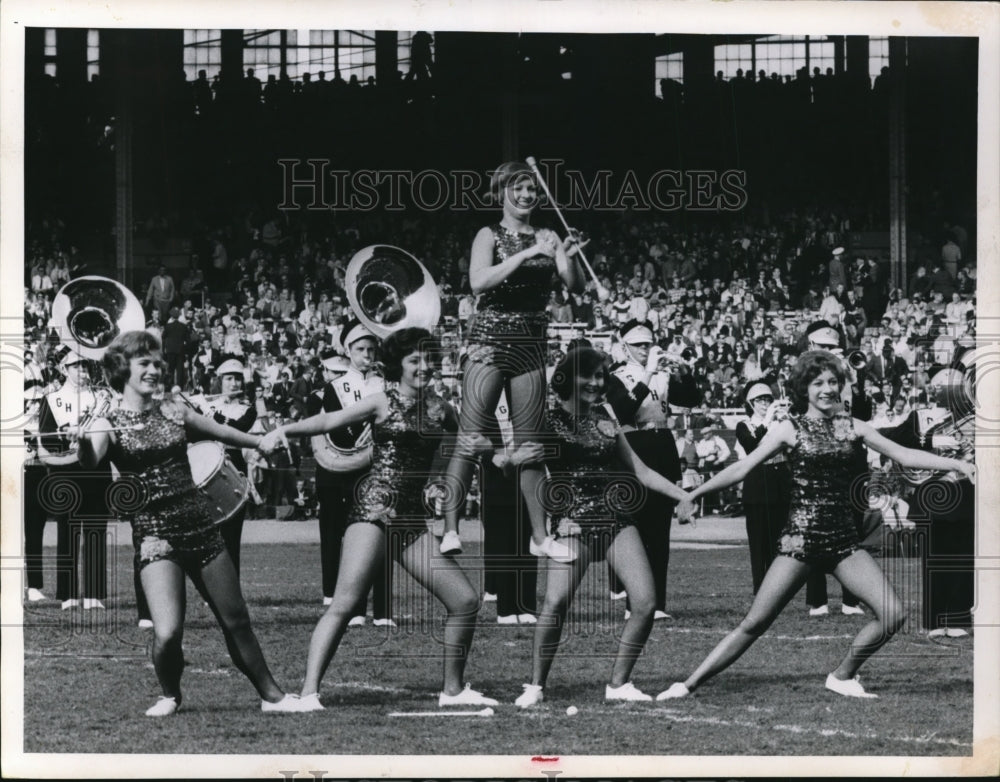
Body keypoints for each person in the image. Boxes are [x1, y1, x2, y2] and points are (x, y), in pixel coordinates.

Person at [656, 351, 975, 701]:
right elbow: (741, 468)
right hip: (801, 540)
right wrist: (693, 494)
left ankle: (842, 675)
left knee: (893, 614)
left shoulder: (851, 425)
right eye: (818, 383)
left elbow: (904, 454)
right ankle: (688, 684)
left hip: (843, 542)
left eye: (833, 382)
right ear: (803, 388)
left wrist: (957, 464)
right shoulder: (789, 429)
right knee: (755, 622)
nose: (827, 389)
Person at [260, 328, 498, 711]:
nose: (424, 366)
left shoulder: (442, 408)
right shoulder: (381, 402)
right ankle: (307, 694)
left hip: (410, 520)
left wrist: (494, 450)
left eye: (429, 359)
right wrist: (284, 429)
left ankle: (452, 690)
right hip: (373, 510)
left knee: (465, 599)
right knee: (345, 603)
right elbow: (327, 422)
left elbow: (474, 441)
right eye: (414, 360)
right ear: (398, 366)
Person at [77, 330, 302, 716]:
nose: (154, 369)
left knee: (237, 619)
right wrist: (84, 438)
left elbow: (221, 432)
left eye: (157, 362)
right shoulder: (106, 421)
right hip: (154, 535)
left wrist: (257, 442)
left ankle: (273, 697)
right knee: (167, 632)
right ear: (122, 368)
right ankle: (170, 694)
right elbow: (89, 460)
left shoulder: (174, 409)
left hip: (200, 525)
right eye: (144, 363)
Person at [513, 348, 694, 709]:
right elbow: (527, 473)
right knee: (555, 603)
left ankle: (619, 683)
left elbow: (639, 470)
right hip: (572, 521)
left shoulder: (607, 414)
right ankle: (535, 685)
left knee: (645, 601)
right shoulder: (547, 420)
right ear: (567, 378)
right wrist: (540, 534)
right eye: (589, 376)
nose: (597, 383)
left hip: (615, 516)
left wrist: (683, 495)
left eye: (601, 376)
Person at [438, 161, 585, 559]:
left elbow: (575, 287)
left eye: (531, 190)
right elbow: (479, 281)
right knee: (470, 437)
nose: (526, 196)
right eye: (518, 189)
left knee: (531, 445)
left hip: (532, 345)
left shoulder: (548, 234)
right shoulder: (488, 234)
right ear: (502, 193)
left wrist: (565, 255)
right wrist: (529, 253)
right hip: (488, 340)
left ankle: (541, 538)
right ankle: (450, 530)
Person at [604, 319, 700, 620]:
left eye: (648, 344)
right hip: (634, 449)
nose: (645, 350)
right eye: (639, 345)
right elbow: (622, 411)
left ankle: (657, 603)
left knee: (660, 534)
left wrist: (684, 373)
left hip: (661, 449)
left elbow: (691, 401)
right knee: (638, 531)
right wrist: (647, 374)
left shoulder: (662, 374)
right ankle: (635, 602)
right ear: (624, 347)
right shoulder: (616, 376)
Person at [312, 322, 391, 626]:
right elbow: (337, 425)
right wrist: (365, 429)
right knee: (354, 536)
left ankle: (384, 609)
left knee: (382, 532)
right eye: (360, 349)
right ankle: (354, 607)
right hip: (350, 465)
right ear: (348, 351)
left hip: (378, 466)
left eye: (371, 349)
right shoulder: (336, 386)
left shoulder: (385, 384)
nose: (367, 355)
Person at [34, 347, 112, 611]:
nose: (83, 371)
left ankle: (93, 594)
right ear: (65, 369)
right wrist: (67, 436)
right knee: (67, 530)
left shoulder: (100, 397)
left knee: (96, 529)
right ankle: (68, 593)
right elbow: (45, 439)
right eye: (77, 367)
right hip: (65, 471)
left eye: (86, 367)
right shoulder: (52, 399)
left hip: (96, 470)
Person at [735, 379, 792, 594]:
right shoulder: (745, 424)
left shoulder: (780, 422)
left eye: (767, 399)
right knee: (758, 542)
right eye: (759, 401)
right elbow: (750, 445)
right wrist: (767, 421)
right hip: (758, 482)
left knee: (779, 539)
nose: (764, 404)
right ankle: (760, 587)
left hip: (780, 483)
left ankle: (778, 587)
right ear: (751, 403)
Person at [201, 359, 257, 574]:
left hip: (233, 468)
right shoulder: (206, 404)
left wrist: (211, 414)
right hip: (207, 467)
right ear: (220, 381)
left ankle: (231, 591)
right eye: (229, 379)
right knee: (208, 535)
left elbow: (239, 428)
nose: (234, 383)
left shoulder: (246, 409)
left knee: (232, 536)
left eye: (237, 379)